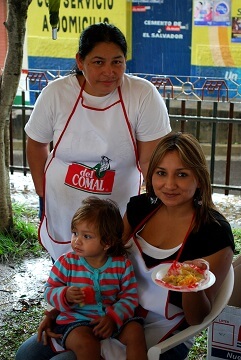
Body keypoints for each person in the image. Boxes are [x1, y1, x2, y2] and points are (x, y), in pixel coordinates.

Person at [15, 132, 235, 360]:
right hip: (108, 306)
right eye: (161, 173)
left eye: (181, 174)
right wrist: (60, 306)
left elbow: (197, 319)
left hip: (165, 331)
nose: (169, 185)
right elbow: (104, 255)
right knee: (26, 354)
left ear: (198, 177)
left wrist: (192, 283)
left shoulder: (214, 233)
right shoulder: (140, 208)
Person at [24, 22, 171, 262]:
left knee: (112, 268)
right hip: (62, 202)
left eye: (117, 61)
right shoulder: (56, 93)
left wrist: (159, 202)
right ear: (80, 62)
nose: (109, 72)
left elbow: (150, 160)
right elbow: (36, 143)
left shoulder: (143, 95)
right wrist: (42, 191)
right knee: (68, 271)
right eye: (98, 62)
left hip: (118, 204)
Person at [43, 197, 147, 360]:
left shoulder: (122, 265)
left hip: (109, 320)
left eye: (87, 236)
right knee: (87, 344)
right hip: (75, 321)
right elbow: (49, 290)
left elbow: (129, 297)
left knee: (136, 331)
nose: (77, 240)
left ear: (107, 242)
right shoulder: (66, 262)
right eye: (75, 233)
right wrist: (65, 294)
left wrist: (113, 317)